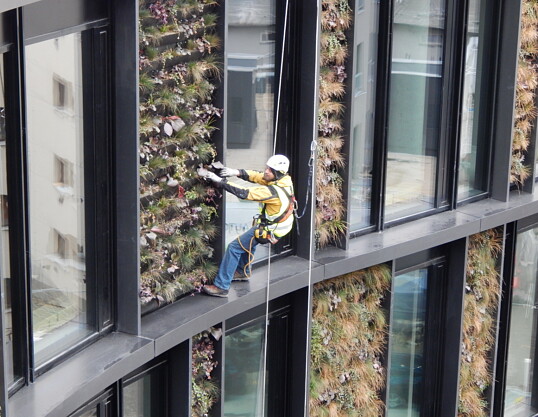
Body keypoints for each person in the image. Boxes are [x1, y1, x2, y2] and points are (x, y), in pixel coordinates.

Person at [201, 154, 295, 297]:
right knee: (248, 243)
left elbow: (245, 193)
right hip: (280, 227)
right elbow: (259, 177)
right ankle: (242, 272)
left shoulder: (273, 192)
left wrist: (221, 181)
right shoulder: (284, 181)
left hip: (270, 230)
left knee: (234, 247)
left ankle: (221, 286)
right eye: (267, 167)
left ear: (277, 173)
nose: (266, 171)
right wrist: (236, 172)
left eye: (270, 169)